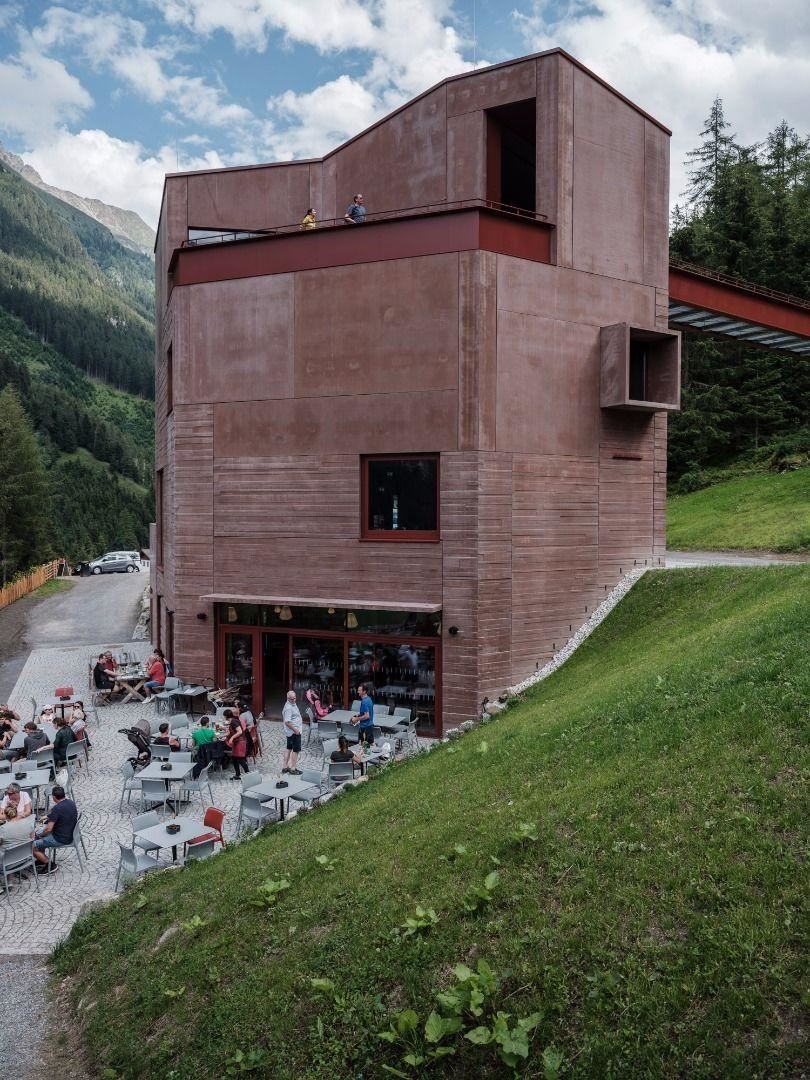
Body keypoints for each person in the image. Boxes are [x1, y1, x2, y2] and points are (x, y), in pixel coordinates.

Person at [33, 785, 77, 873]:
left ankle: (50, 864)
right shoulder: (71, 803)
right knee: (39, 837)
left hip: (59, 839)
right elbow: (63, 814)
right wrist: (48, 816)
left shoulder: (57, 808)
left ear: (53, 797)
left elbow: (48, 829)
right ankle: (41, 859)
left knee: (31, 846)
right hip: (69, 834)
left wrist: (40, 835)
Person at [281, 690, 303, 776]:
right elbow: (287, 722)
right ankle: (293, 768)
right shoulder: (288, 708)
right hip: (293, 732)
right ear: (287, 698)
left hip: (290, 732)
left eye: (294, 698)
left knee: (289, 748)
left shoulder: (291, 704)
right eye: (291, 699)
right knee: (296, 750)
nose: (293, 700)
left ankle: (285, 767)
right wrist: (295, 730)